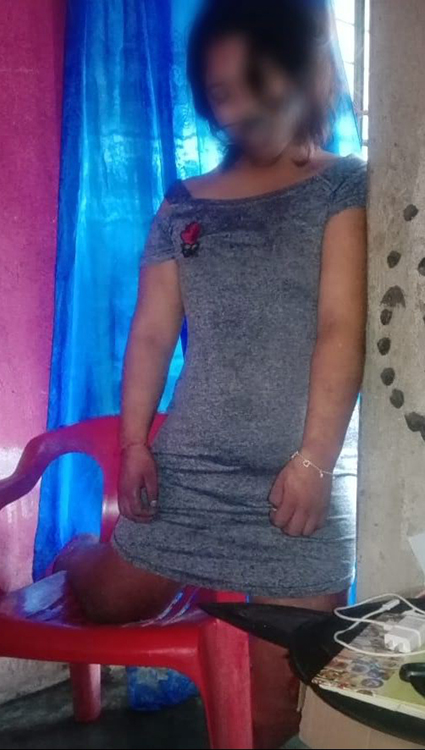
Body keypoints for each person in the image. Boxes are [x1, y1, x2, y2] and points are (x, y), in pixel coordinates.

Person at [55, 0, 367, 745]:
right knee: (106, 603)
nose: (240, 108)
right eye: (222, 91)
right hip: (190, 473)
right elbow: (151, 333)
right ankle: (77, 554)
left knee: (270, 716)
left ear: (300, 72)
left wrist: (313, 462)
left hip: (302, 485)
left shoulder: (343, 186)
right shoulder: (182, 203)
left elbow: (341, 329)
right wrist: (134, 444)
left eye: (257, 81)